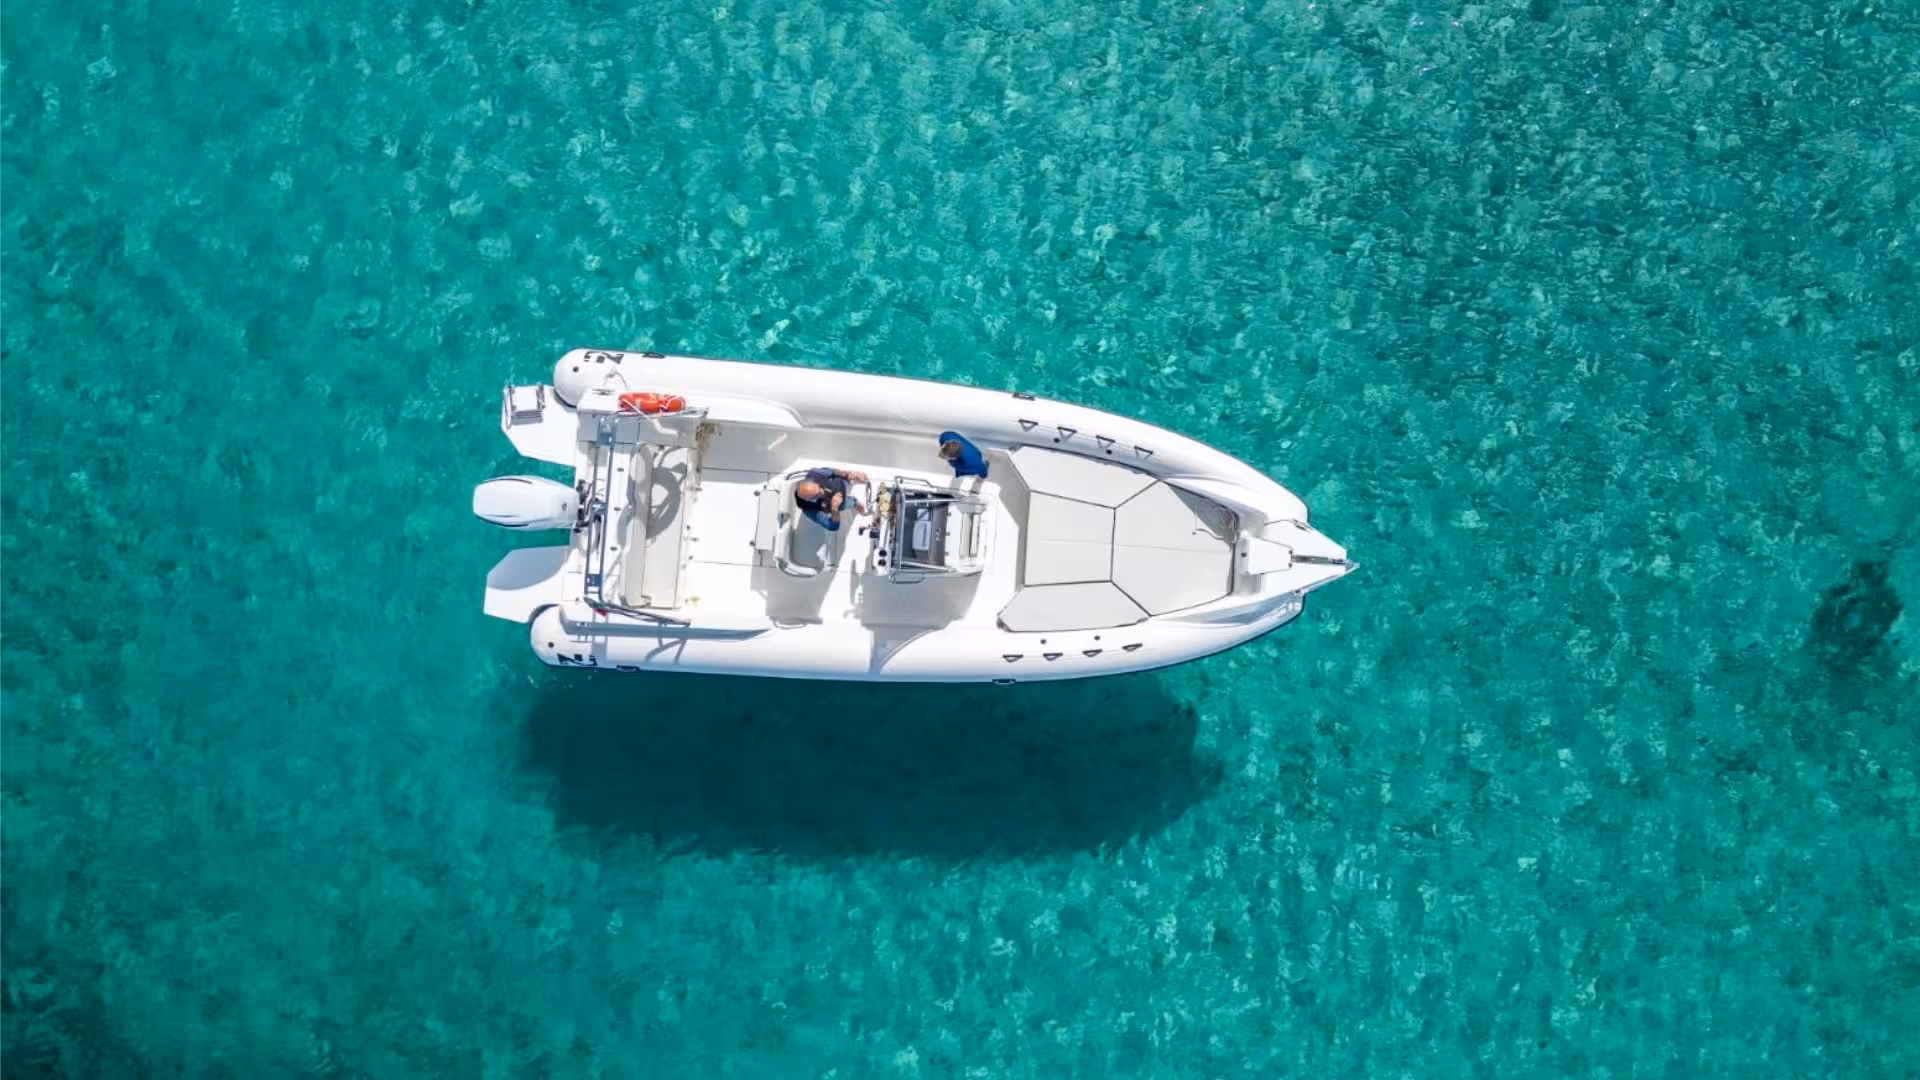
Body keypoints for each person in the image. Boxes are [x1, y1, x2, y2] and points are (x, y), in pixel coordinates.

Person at [793, 466, 869, 531]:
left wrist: (847, 475)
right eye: (817, 495)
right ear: (810, 500)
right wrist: (834, 508)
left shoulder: (814, 474)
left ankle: (851, 481)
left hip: (840, 484)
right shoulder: (809, 510)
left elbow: (833, 472)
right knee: (852, 503)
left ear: (813, 481)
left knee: (859, 476)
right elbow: (833, 526)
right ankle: (855, 502)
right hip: (840, 503)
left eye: (819, 487)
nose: (822, 491)